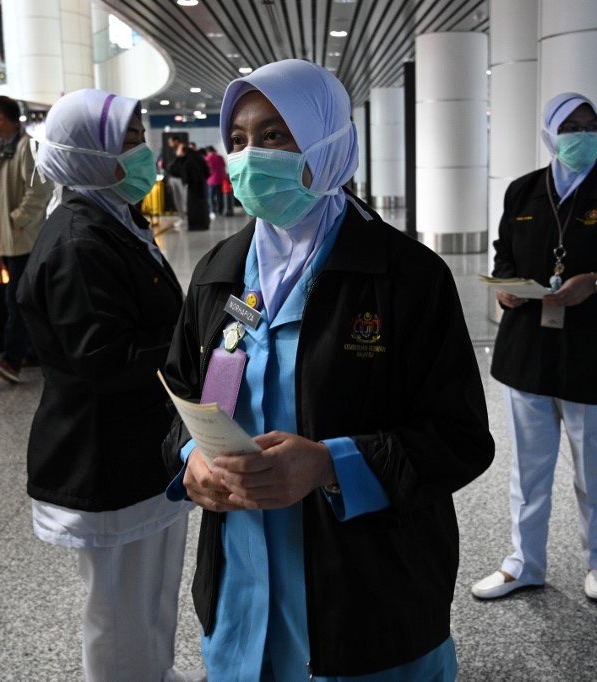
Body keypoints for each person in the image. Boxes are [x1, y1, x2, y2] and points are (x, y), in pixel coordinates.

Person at [160, 59, 495, 680]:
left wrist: (332, 464)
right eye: (237, 140)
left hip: (366, 603)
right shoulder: (220, 274)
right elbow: (181, 396)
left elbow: (460, 439)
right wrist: (191, 463)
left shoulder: (406, 278)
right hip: (242, 601)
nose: (249, 156)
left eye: (275, 135)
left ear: (329, 142)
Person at [16, 89, 202, 682]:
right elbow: (104, 359)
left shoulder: (113, 217)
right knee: (120, 608)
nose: (141, 149)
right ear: (87, 153)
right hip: (106, 457)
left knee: (151, 594)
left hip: (142, 447)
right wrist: (194, 350)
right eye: (127, 139)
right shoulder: (78, 241)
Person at [470, 92, 597, 603]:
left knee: (596, 466)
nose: (581, 134)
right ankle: (523, 563)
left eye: (591, 124)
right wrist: (508, 288)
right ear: (549, 135)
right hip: (529, 353)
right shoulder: (522, 192)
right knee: (529, 470)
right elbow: (504, 256)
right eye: (569, 126)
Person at [0, 95, 53, 383]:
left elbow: (39, 189)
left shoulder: (28, 147)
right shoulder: (8, 149)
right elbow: (8, 190)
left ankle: (11, 360)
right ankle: (34, 353)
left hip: (24, 240)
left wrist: (17, 221)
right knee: (25, 299)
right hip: (13, 240)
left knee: (17, 299)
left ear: (2, 118)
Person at [168, 139, 210, 231]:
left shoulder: (187, 160)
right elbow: (207, 172)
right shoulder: (197, 157)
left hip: (193, 188)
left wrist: (178, 157)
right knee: (202, 206)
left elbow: (174, 170)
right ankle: (203, 225)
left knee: (194, 208)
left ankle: (196, 226)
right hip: (202, 186)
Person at [165, 136, 188, 228]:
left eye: (171, 142)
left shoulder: (182, 149)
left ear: (176, 141)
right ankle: (182, 218)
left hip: (180, 178)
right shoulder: (173, 151)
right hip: (173, 177)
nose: (169, 144)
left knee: (183, 199)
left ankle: (186, 218)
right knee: (177, 200)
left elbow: (182, 160)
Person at [204, 145, 226, 215]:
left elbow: (205, 169)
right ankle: (220, 210)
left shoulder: (207, 158)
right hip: (219, 179)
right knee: (220, 196)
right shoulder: (220, 157)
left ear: (207, 151)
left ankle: (213, 210)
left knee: (211, 197)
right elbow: (223, 167)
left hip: (210, 180)